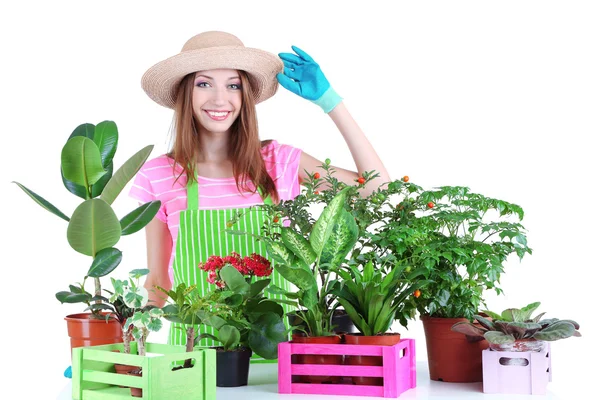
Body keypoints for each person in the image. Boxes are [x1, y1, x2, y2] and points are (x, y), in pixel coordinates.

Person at [129, 31, 390, 354]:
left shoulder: (277, 162)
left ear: (246, 95)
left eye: (233, 85)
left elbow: (376, 189)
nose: (220, 99)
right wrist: (120, 348)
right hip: (196, 365)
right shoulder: (157, 174)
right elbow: (158, 282)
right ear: (185, 93)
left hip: (279, 364)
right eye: (204, 83)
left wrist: (330, 102)